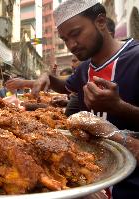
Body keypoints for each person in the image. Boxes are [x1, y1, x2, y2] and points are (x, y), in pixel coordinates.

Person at [32, 1, 139, 197]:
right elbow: (63, 85)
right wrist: (46, 76)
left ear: (100, 21)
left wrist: (119, 107)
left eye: (76, 33)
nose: (71, 45)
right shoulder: (83, 69)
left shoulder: (136, 58)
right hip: (92, 183)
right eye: (65, 39)